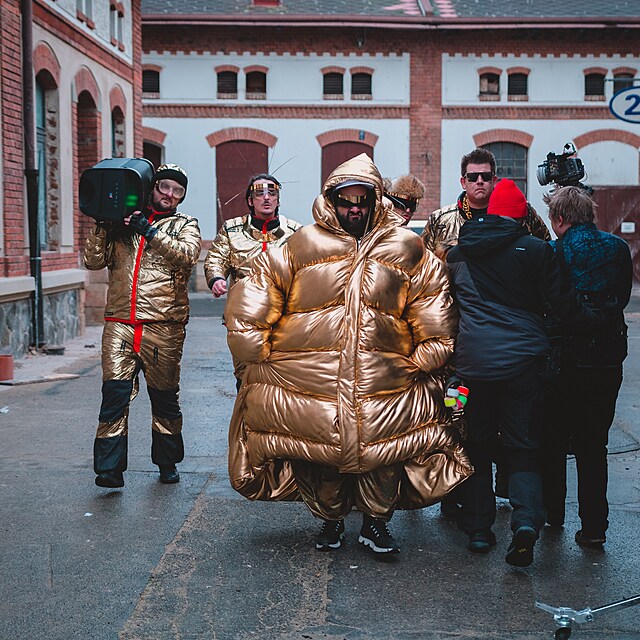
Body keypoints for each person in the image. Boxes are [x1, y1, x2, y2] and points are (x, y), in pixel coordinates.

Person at [224, 154, 472, 556]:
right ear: (332, 199)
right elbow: (258, 287)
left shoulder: (406, 246)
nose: (354, 209)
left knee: (383, 453)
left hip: (385, 376)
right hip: (313, 375)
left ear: (375, 200)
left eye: (362, 201)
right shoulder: (302, 244)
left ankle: (376, 524)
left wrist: (431, 351)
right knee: (321, 454)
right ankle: (330, 520)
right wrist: (253, 342)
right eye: (346, 200)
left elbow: (431, 299)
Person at [446, 178, 603, 567]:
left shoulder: (458, 254)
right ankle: (526, 524)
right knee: (522, 449)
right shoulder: (536, 250)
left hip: (473, 366)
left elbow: (447, 311)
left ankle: (480, 531)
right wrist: (595, 322)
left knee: (477, 446)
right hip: (523, 367)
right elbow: (563, 305)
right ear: (521, 215)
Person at [424, 147, 551, 516]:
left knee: (500, 425)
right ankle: (454, 491)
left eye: (486, 177)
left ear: (495, 181)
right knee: (453, 415)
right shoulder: (442, 220)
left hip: (499, 336)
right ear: (462, 181)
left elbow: (545, 252)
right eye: (473, 177)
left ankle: (500, 490)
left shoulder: (520, 214)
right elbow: (425, 277)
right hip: (455, 341)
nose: (480, 182)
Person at [84, 164, 201, 488]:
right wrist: (103, 225)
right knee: (114, 395)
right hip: (120, 322)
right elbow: (93, 261)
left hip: (163, 325)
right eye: (164, 187)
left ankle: (167, 462)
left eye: (177, 191)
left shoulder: (184, 224)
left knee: (163, 397)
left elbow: (187, 256)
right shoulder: (122, 224)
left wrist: (148, 230)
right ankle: (108, 469)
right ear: (152, 188)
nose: (169, 195)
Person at [540, 186, 632, 548]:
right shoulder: (618, 248)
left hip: (564, 361)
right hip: (606, 360)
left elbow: (546, 302)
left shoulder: (552, 252)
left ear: (560, 219)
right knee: (594, 446)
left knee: (553, 441)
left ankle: (553, 514)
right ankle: (594, 527)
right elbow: (622, 297)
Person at [204, 174, 302, 389]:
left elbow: (306, 269)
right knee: (246, 380)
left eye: (272, 193)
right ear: (250, 200)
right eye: (260, 194)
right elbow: (215, 258)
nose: (266, 198)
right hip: (243, 319)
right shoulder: (232, 230)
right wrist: (216, 278)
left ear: (278, 199)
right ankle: (245, 421)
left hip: (283, 320)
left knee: (279, 382)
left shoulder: (295, 232)